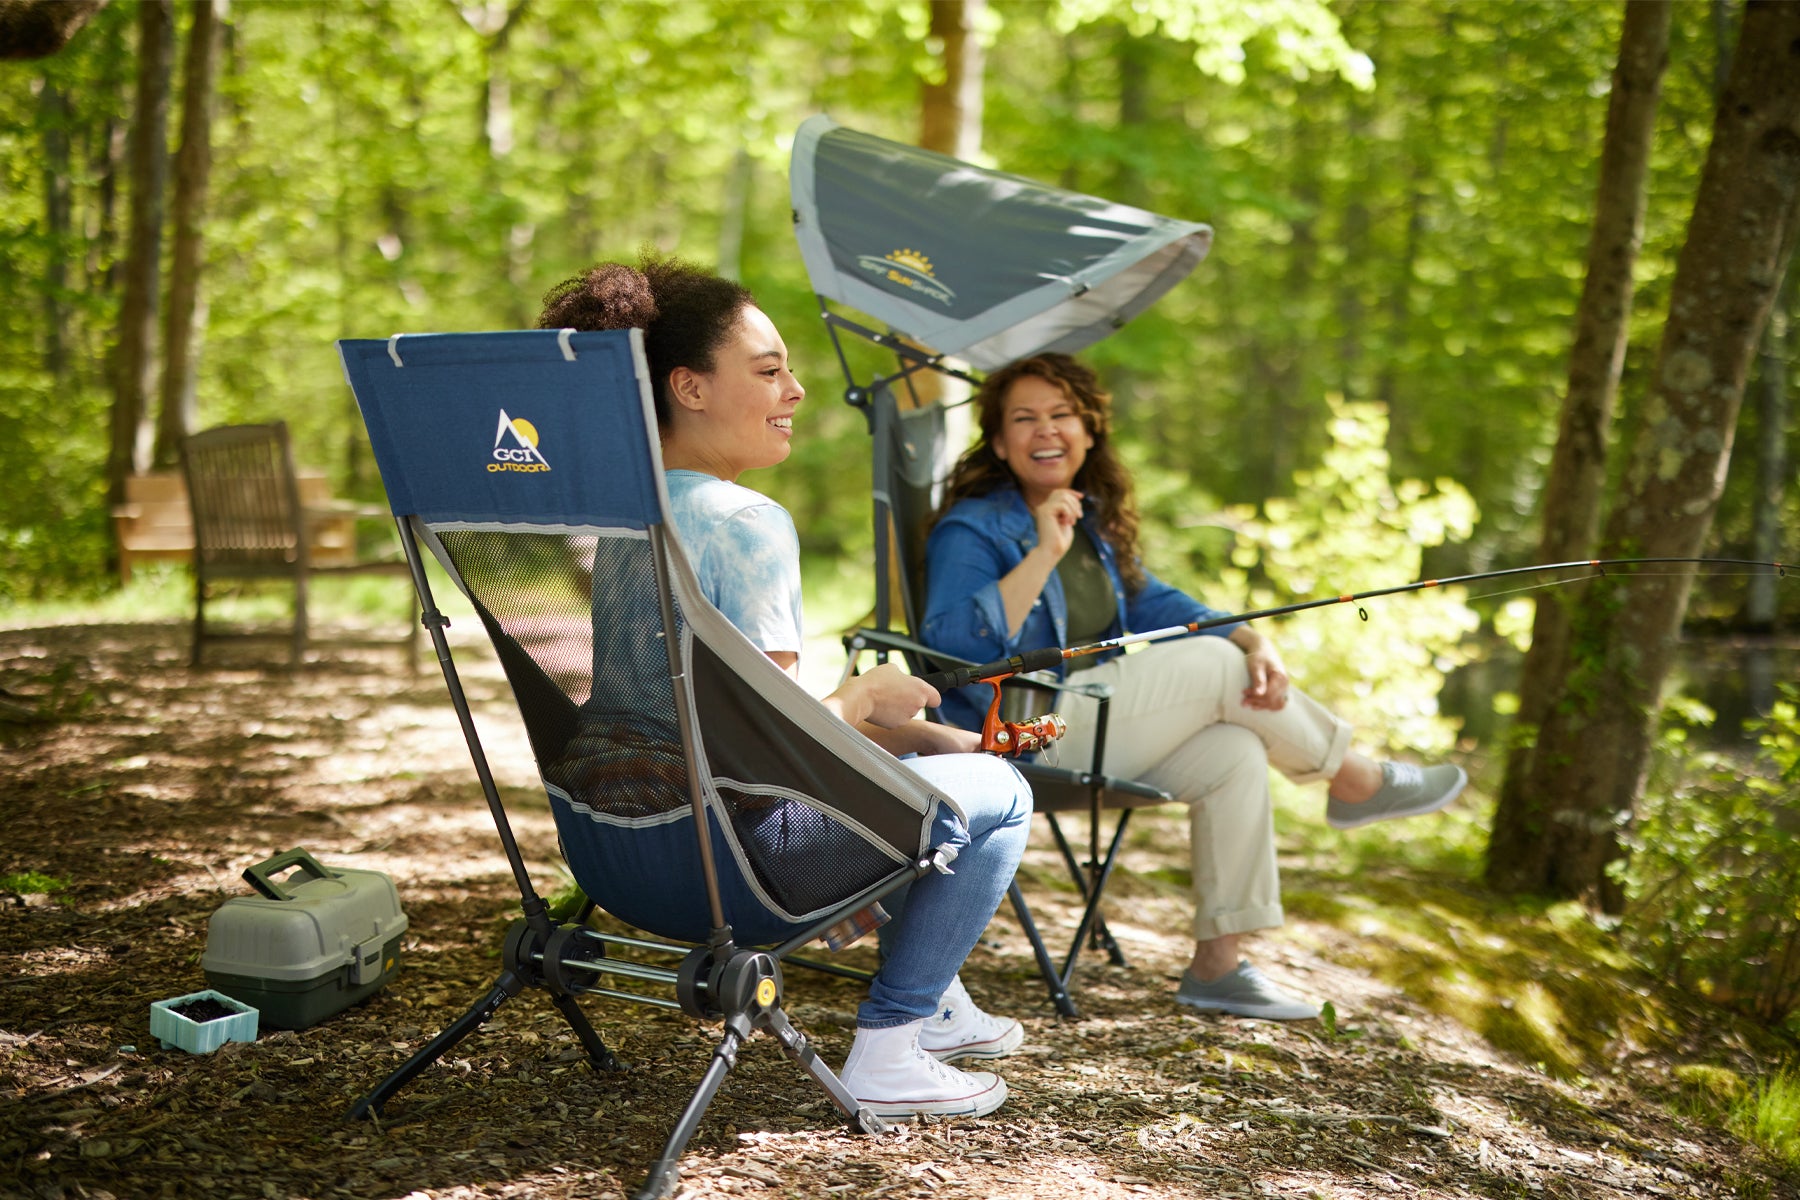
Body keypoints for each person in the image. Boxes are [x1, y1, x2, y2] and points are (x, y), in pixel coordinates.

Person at [537, 254, 1032, 1119]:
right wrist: (868, 693)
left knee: (939, 775)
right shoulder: (747, 523)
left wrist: (906, 736)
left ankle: (939, 992)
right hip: (737, 874)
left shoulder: (632, 523)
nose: (796, 391)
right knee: (1001, 790)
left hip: (624, 855)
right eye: (769, 371)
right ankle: (893, 1039)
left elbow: (702, 717)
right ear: (688, 387)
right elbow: (780, 753)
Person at [921, 352, 1466, 1021]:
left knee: (1235, 748)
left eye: (1061, 414)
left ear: (1089, 431)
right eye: (1024, 419)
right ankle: (1356, 780)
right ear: (1000, 443)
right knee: (1213, 667)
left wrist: (1251, 638)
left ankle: (1218, 967)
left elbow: (1159, 606)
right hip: (1027, 739)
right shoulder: (972, 528)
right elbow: (952, 650)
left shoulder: (1090, 523)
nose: (1045, 431)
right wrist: (1042, 556)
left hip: (1096, 729)